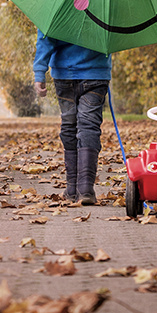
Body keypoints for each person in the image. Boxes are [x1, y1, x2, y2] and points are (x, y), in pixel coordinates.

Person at [33, 29, 110, 204]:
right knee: (89, 125)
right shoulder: (106, 4)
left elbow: (45, 38)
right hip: (96, 72)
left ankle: (71, 188)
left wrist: (40, 72)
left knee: (69, 123)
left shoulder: (57, 4)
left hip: (64, 73)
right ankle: (85, 189)